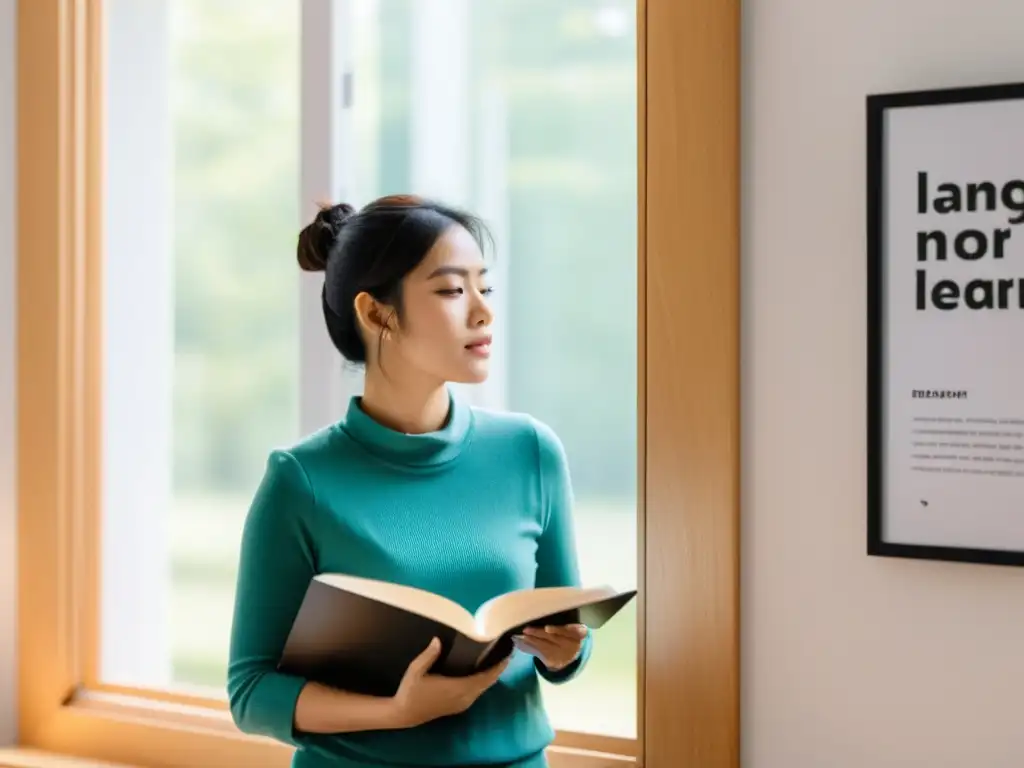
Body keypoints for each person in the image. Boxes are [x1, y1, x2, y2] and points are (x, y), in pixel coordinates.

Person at [226, 194, 593, 768]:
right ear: (376, 314)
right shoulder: (300, 481)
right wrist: (397, 711)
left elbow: (566, 640)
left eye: (484, 288)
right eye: (451, 290)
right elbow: (251, 692)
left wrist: (567, 650)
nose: (482, 312)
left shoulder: (531, 452)